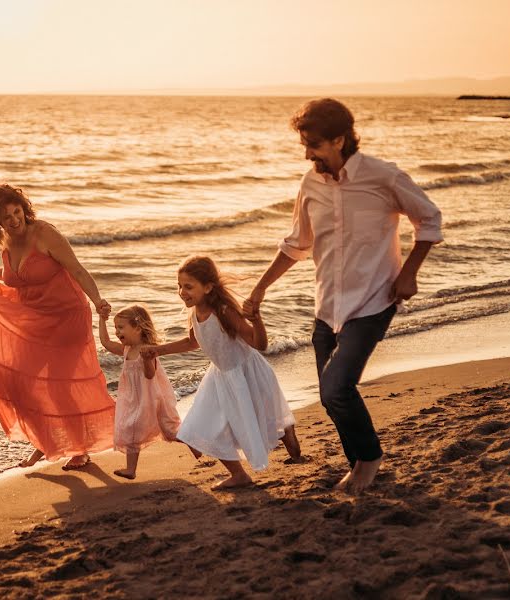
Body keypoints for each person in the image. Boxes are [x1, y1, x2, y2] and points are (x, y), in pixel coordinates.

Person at [245, 98, 443, 494]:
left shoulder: (382, 176)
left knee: (338, 387)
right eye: (304, 144)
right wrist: (260, 289)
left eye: (314, 144)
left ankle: (368, 460)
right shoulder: (310, 183)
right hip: (327, 305)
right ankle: (358, 464)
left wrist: (409, 273)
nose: (307, 154)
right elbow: (297, 244)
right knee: (330, 397)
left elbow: (430, 218)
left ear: (340, 139)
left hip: (373, 299)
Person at [0, 183, 115, 471]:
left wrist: (98, 300)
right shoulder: (5, 241)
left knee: (59, 387)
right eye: (6, 217)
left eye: (17, 212)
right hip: (37, 322)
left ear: (24, 209)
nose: (14, 220)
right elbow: (17, 276)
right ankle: (45, 442)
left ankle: (79, 450)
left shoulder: (44, 233)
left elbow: (77, 269)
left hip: (68, 317)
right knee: (19, 383)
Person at [144, 256, 300, 490]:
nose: (181, 292)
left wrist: (256, 320)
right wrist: (157, 350)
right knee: (199, 427)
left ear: (207, 287)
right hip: (219, 378)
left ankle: (285, 431)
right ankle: (239, 474)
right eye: (179, 286)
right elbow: (191, 342)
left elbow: (260, 344)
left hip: (247, 374)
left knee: (262, 418)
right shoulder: (194, 313)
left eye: (188, 286)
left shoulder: (224, 311)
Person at [98, 304, 181, 480]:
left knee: (169, 429)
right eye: (115, 327)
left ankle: (195, 444)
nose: (117, 332)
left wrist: (146, 359)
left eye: (121, 327)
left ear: (137, 328)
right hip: (131, 399)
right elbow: (105, 342)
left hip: (150, 398)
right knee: (130, 429)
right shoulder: (126, 349)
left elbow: (150, 375)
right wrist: (102, 319)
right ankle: (131, 469)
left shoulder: (148, 350)